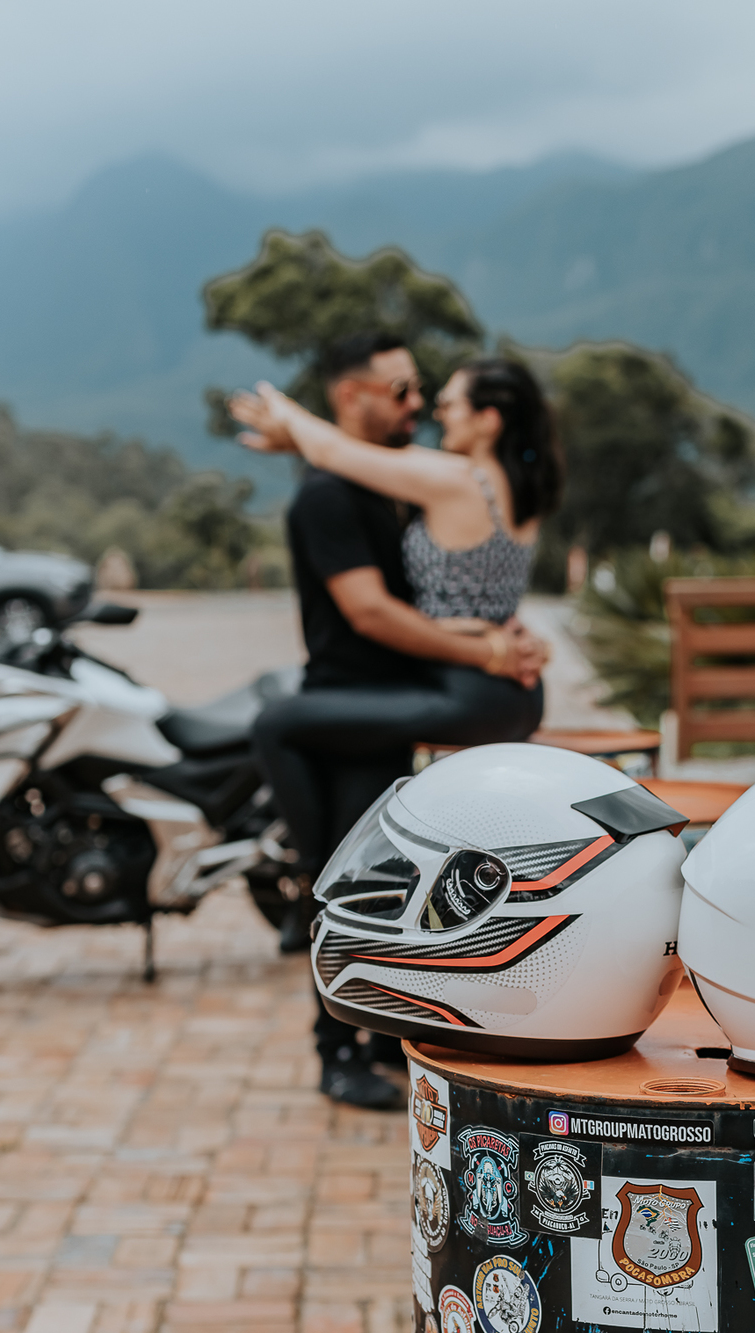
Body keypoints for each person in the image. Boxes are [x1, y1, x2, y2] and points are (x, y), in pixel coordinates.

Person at [233, 344, 560, 1109]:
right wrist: (491, 643)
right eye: (404, 390)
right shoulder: (338, 495)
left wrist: (497, 635)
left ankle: (377, 1029)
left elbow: (430, 592)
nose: (422, 406)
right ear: (353, 395)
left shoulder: (409, 482)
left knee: (375, 882)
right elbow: (375, 611)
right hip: (362, 699)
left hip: (403, 700)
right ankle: (340, 1045)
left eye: (432, 395)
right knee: (348, 882)